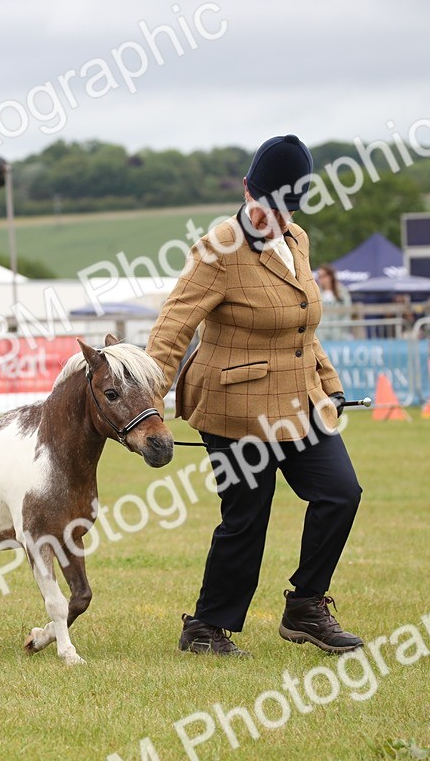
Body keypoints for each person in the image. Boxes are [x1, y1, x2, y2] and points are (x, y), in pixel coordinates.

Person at [146, 134, 364, 657]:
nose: (277, 219)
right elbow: (175, 323)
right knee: (248, 515)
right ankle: (205, 628)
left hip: (301, 399)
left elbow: (303, 327)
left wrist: (329, 385)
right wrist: (148, 396)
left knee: (341, 493)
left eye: (288, 209)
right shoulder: (219, 247)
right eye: (268, 207)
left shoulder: (298, 240)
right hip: (234, 406)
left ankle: (305, 606)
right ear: (247, 190)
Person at [314, 263, 353, 341]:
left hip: (339, 334)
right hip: (321, 335)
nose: (321, 279)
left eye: (323, 276)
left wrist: (344, 330)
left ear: (330, 276)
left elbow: (347, 313)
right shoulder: (316, 293)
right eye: (319, 276)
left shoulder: (342, 292)